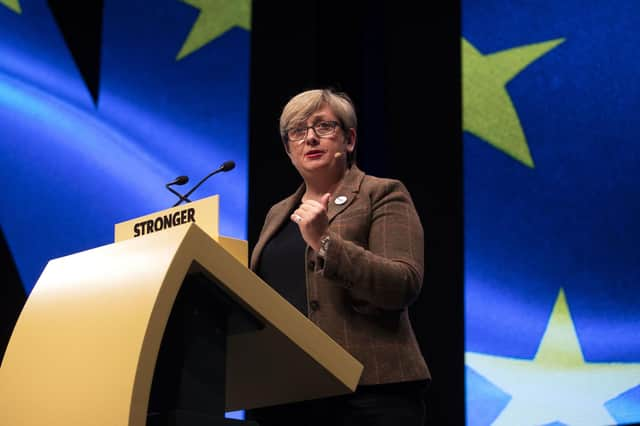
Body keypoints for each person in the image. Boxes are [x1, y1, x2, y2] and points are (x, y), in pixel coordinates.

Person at [246, 88, 430, 426]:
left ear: (349, 140)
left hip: (368, 394)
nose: (310, 138)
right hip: (286, 394)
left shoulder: (382, 193)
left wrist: (324, 242)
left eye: (324, 127)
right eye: (298, 131)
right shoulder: (276, 214)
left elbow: (402, 283)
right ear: (289, 150)